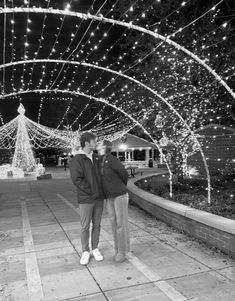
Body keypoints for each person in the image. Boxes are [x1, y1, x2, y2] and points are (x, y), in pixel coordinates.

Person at [70, 132, 104, 265]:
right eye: (94, 141)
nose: (96, 143)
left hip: (99, 198)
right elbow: (77, 180)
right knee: (85, 226)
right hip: (86, 199)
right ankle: (85, 251)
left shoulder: (96, 158)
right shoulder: (77, 159)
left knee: (97, 225)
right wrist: (92, 192)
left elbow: (103, 175)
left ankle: (95, 248)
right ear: (86, 143)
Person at [98, 140, 130, 263]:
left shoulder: (112, 159)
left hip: (119, 195)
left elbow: (124, 174)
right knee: (113, 223)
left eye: (99, 143)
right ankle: (118, 249)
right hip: (109, 197)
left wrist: (119, 186)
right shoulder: (100, 160)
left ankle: (122, 251)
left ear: (105, 146)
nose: (97, 144)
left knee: (121, 224)